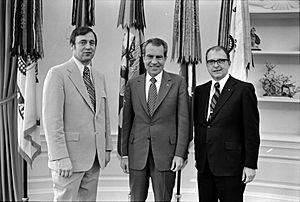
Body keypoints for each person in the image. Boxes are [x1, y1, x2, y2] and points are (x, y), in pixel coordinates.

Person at [42, 26, 113, 201]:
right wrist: (60, 157)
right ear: (72, 46)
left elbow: (103, 115)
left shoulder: (98, 76)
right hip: (68, 161)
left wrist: (107, 148)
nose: (88, 47)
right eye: (83, 42)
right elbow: (52, 122)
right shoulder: (58, 74)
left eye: (92, 43)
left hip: (94, 159)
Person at [119, 37, 190, 202]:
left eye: (159, 57)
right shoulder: (132, 83)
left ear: (165, 58)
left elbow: (184, 121)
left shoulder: (178, 82)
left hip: (167, 154)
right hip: (137, 153)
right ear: (143, 58)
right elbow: (127, 121)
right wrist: (125, 154)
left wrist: (180, 154)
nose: (154, 62)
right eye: (150, 57)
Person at [193, 46, 260, 202]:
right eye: (211, 61)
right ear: (207, 65)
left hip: (232, 167)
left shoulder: (243, 90)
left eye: (220, 60)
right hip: (205, 166)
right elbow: (199, 126)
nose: (216, 65)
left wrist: (250, 164)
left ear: (228, 62)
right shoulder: (200, 91)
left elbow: (251, 131)